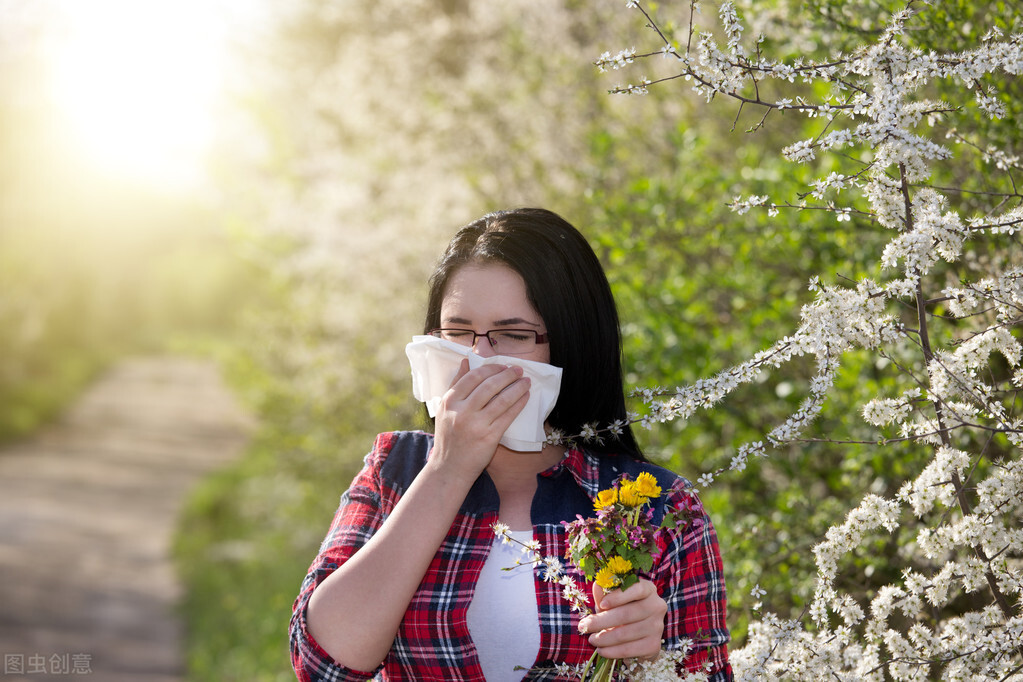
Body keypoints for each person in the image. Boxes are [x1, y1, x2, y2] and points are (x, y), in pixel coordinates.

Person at [289, 208, 732, 681]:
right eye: (458, 332)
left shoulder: (658, 507)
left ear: (571, 343)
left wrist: (648, 658)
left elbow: (706, 673)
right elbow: (322, 665)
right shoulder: (395, 471)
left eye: (513, 335)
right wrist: (448, 468)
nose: (478, 359)